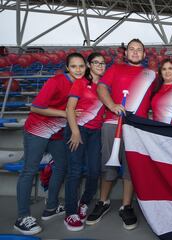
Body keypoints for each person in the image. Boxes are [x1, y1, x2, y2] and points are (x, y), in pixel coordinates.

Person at [86, 39, 156, 229]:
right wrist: (112, 105)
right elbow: (101, 88)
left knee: (130, 167)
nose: (135, 52)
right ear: (126, 53)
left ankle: (126, 206)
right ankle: (103, 202)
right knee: (108, 164)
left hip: (136, 126)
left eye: (139, 49)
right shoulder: (115, 69)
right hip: (112, 123)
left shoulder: (151, 74)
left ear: (144, 54)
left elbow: (166, 87)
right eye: (131, 49)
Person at [14, 53, 85, 235]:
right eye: (74, 66)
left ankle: (51, 207)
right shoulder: (56, 81)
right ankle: (22, 217)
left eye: (81, 66)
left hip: (57, 133)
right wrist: (65, 114)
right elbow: (35, 107)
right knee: (29, 170)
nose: (78, 69)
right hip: (37, 129)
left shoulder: (82, 84)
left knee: (62, 166)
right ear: (67, 68)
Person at [63, 52, 106, 231]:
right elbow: (70, 108)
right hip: (78, 129)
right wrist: (75, 132)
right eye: (96, 62)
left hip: (95, 132)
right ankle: (70, 213)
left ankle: (84, 202)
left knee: (94, 171)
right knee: (74, 171)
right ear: (89, 65)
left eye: (103, 63)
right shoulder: (80, 83)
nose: (100, 65)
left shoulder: (105, 87)